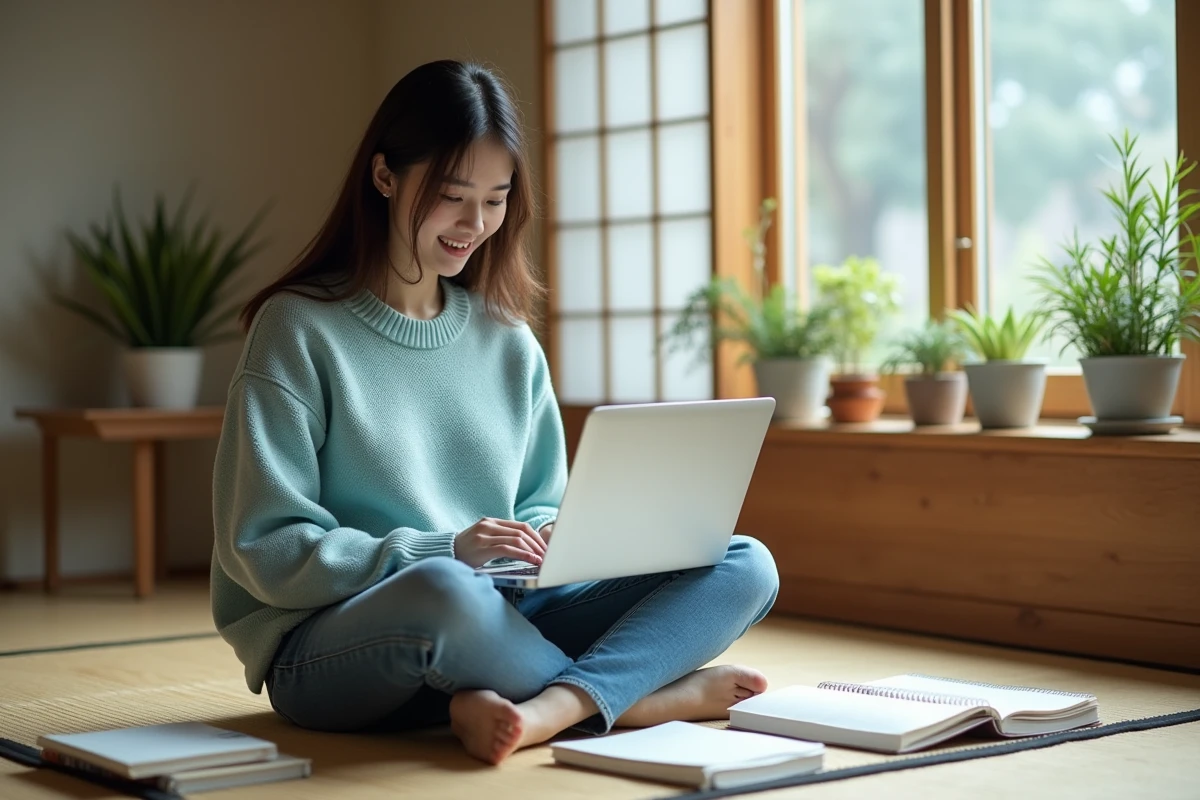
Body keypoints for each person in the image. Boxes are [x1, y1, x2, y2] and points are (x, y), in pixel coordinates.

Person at [211, 59, 780, 765]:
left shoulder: (509, 341)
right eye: (452, 196)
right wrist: (444, 549)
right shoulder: (297, 330)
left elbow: (541, 501)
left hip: (501, 618)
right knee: (446, 592)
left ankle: (538, 703)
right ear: (385, 176)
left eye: (496, 199)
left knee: (745, 562)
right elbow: (264, 546)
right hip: (335, 644)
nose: (474, 224)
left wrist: (556, 540)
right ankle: (630, 699)